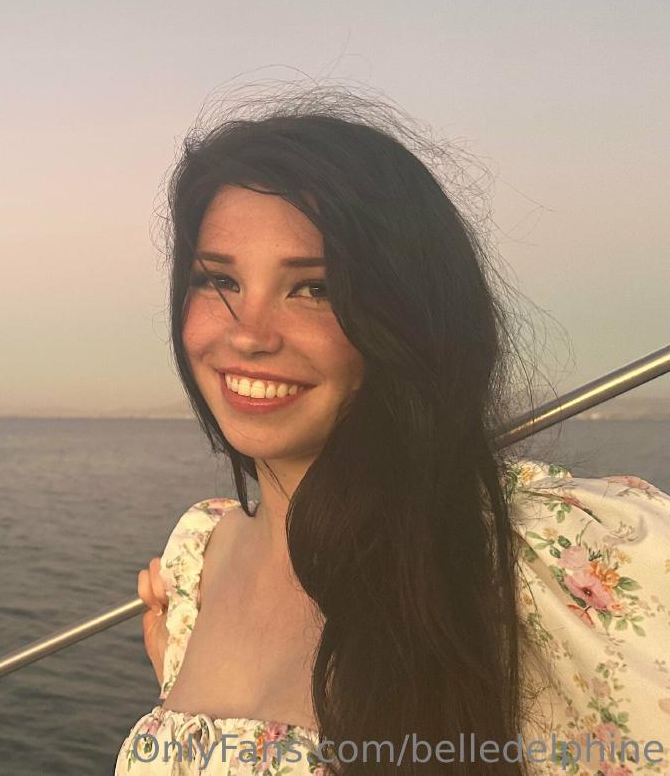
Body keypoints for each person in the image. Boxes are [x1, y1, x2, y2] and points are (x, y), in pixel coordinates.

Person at [114, 84, 670, 775]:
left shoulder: (544, 553)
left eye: (314, 288)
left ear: (406, 317)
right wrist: (177, 692)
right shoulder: (197, 555)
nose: (249, 335)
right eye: (219, 281)